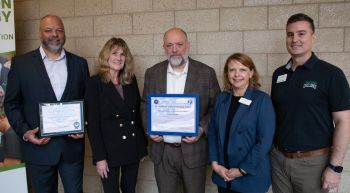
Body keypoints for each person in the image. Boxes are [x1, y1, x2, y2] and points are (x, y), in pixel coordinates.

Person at [4, 15, 89, 193]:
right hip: (38, 149)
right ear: (40, 33)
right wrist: (25, 132)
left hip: (71, 150)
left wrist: (84, 125)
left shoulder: (80, 64)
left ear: (64, 33)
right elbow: (11, 103)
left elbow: (87, 101)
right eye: (48, 30)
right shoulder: (21, 64)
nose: (54, 34)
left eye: (59, 30)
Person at [270, 13, 350, 193]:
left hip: (313, 164)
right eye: (290, 34)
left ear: (313, 37)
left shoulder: (331, 74)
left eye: (301, 34)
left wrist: (335, 166)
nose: (294, 39)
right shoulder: (278, 75)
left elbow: (344, 121)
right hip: (278, 161)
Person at [140, 27, 221, 193]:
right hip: (163, 152)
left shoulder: (206, 73)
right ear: (164, 48)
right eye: (169, 45)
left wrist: (201, 129)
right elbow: (144, 104)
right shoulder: (153, 73)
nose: (174, 50)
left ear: (188, 46)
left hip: (193, 152)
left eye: (179, 44)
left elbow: (216, 108)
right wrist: (150, 128)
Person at [85, 37, 148, 193]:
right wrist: (100, 158)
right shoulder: (95, 83)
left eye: (122, 54)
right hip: (108, 151)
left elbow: (136, 116)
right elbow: (93, 124)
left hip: (132, 147)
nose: (119, 58)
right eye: (114, 53)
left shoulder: (130, 80)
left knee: (130, 189)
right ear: (106, 56)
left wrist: (141, 147)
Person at [208, 53, 275, 193]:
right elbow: (213, 132)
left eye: (242, 70)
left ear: (251, 73)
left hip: (249, 175)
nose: (237, 74)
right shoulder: (221, 99)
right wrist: (215, 164)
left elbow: (265, 141)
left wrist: (241, 170)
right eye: (232, 70)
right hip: (223, 174)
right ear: (227, 74)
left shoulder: (262, 100)